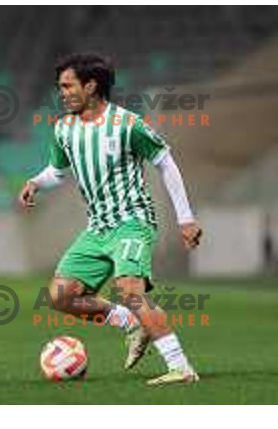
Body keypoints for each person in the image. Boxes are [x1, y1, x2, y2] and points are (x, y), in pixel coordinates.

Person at [19, 52, 202, 386]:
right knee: (61, 295)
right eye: (60, 86)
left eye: (67, 85)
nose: (62, 92)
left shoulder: (127, 124)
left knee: (130, 289)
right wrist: (35, 182)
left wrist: (186, 219)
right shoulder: (63, 129)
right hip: (97, 227)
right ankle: (129, 323)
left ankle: (181, 367)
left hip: (132, 220)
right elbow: (58, 172)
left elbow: (165, 162)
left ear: (90, 86)